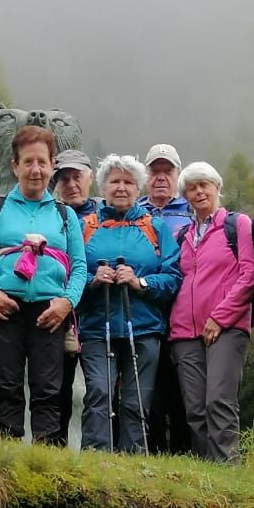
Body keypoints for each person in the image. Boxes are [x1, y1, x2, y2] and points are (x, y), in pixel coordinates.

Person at [0, 124, 86, 443]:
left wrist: (66, 303)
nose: (36, 170)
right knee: (5, 386)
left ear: (52, 166)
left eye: (42, 162)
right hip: (5, 308)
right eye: (28, 162)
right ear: (14, 166)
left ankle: (46, 462)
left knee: (48, 389)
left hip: (50, 312)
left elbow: (79, 267)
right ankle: (7, 462)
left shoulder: (65, 216)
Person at [77, 155, 180, 452]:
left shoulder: (155, 228)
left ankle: (134, 465)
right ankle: (96, 461)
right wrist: (93, 280)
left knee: (137, 400)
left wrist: (140, 282)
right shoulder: (86, 226)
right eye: (114, 182)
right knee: (98, 393)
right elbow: (69, 277)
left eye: (128, 182)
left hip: (144, 328)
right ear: (103, 187)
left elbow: (173, 277)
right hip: (97, 327)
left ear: (138, 188)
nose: (121, 188)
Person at [168, 162, 254, 463]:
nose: (199, 191)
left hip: (227, 327)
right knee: (194, 408)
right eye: (192, 188)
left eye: (204, 184)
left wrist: (220, 317)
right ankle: (207, 476)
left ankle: (227, 470)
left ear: (217, 187)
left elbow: (249, 273)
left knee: (219, 400)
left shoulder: (237, 224)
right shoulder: (182, 234)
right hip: (184, 331)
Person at [141, 143, 191, 452]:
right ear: (145, 175)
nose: (161, 177)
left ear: (177, 175)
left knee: (184, 396)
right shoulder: (135, 213)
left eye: (167, 171)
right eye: (154, 171)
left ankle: (187, 460)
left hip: (184, 319)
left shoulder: (191, 212)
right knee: (150, 394)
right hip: (146, 317)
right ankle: (154, 457)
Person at [52, 149, 97, 443]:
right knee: (57, 391)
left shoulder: (105, 216)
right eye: (64, 178)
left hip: (96, 320)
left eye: (77, 176)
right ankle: (55, 454)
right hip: (57, 318)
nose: (71, 184)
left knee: (99, 392)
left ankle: (100, 457)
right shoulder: (49, 216)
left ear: (90, 178)